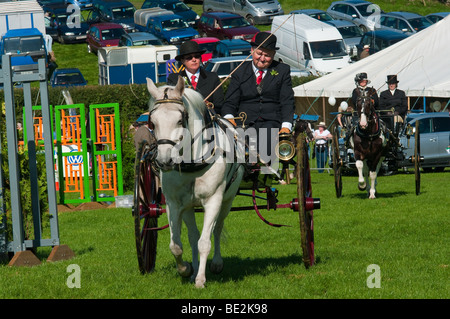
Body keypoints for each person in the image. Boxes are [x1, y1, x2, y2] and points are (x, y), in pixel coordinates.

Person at [221, 31, 294, 162]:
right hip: (244, 123)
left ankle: (266, 173)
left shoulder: (282, 71)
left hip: (271, 122)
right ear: (252, 50)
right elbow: (230, 103)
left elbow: (287, 101)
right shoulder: (239, 72)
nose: (262, 58)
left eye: (267, 56)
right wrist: (229, 118)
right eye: (259, 53)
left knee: (267, 138)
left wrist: (286, 126)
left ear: (273, 55)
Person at [167, 41, 224, 114]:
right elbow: (171, 106)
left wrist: (208, 106)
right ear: (182, 61)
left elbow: (220, 105)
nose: (194, 60)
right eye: (189, 58)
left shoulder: (212, 77)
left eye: (197, 56)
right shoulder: (174, 79)